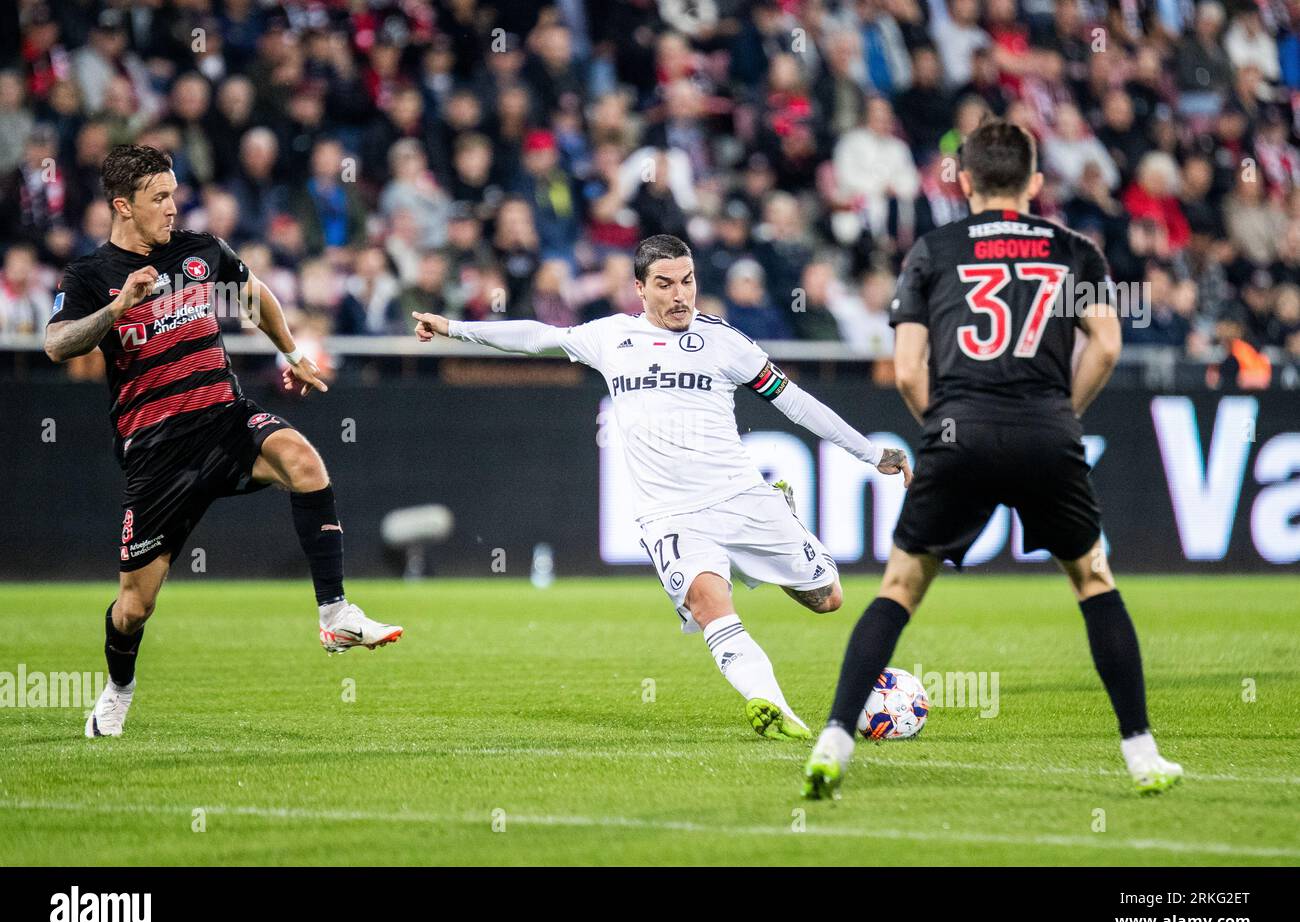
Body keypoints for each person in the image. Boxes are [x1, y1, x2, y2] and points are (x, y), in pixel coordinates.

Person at [802, 121, 1183, 799]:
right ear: (1035, 182)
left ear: (966, 180)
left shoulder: (934, 249)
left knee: (898, 588)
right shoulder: (1073, 250)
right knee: (1093, 580)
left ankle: (834, 739)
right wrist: (1063, 410)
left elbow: (910, 370)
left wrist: (947, 428)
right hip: (1046, 427)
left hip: (959, 429)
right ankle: (1142, 754)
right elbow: (1108, 342)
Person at [413, 234, 911, 739]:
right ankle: (770, 703)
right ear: (640, 289)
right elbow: (535, 336)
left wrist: (871, 453)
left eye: (688, 282)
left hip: (741, 496)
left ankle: (782, 527)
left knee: (827, 599)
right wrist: (453, 328)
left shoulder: (726, 342)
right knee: (708, 602)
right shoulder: (610, 337)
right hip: (670, 515)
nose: (680, 295)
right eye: (665, 284)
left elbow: (798, 404)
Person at [44, 144, 402, 739]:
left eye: (173, 192)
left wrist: (291, 352)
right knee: (134, 608)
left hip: (226, 420)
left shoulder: (198, 252)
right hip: (157, 456)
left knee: (302, 459)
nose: (171, 205)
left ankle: (336, 613)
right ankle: (119, 689)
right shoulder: (91, 276)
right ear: (122, 207)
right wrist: (117, 309)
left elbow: (255, 295)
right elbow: (58, 346)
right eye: (158, 197)